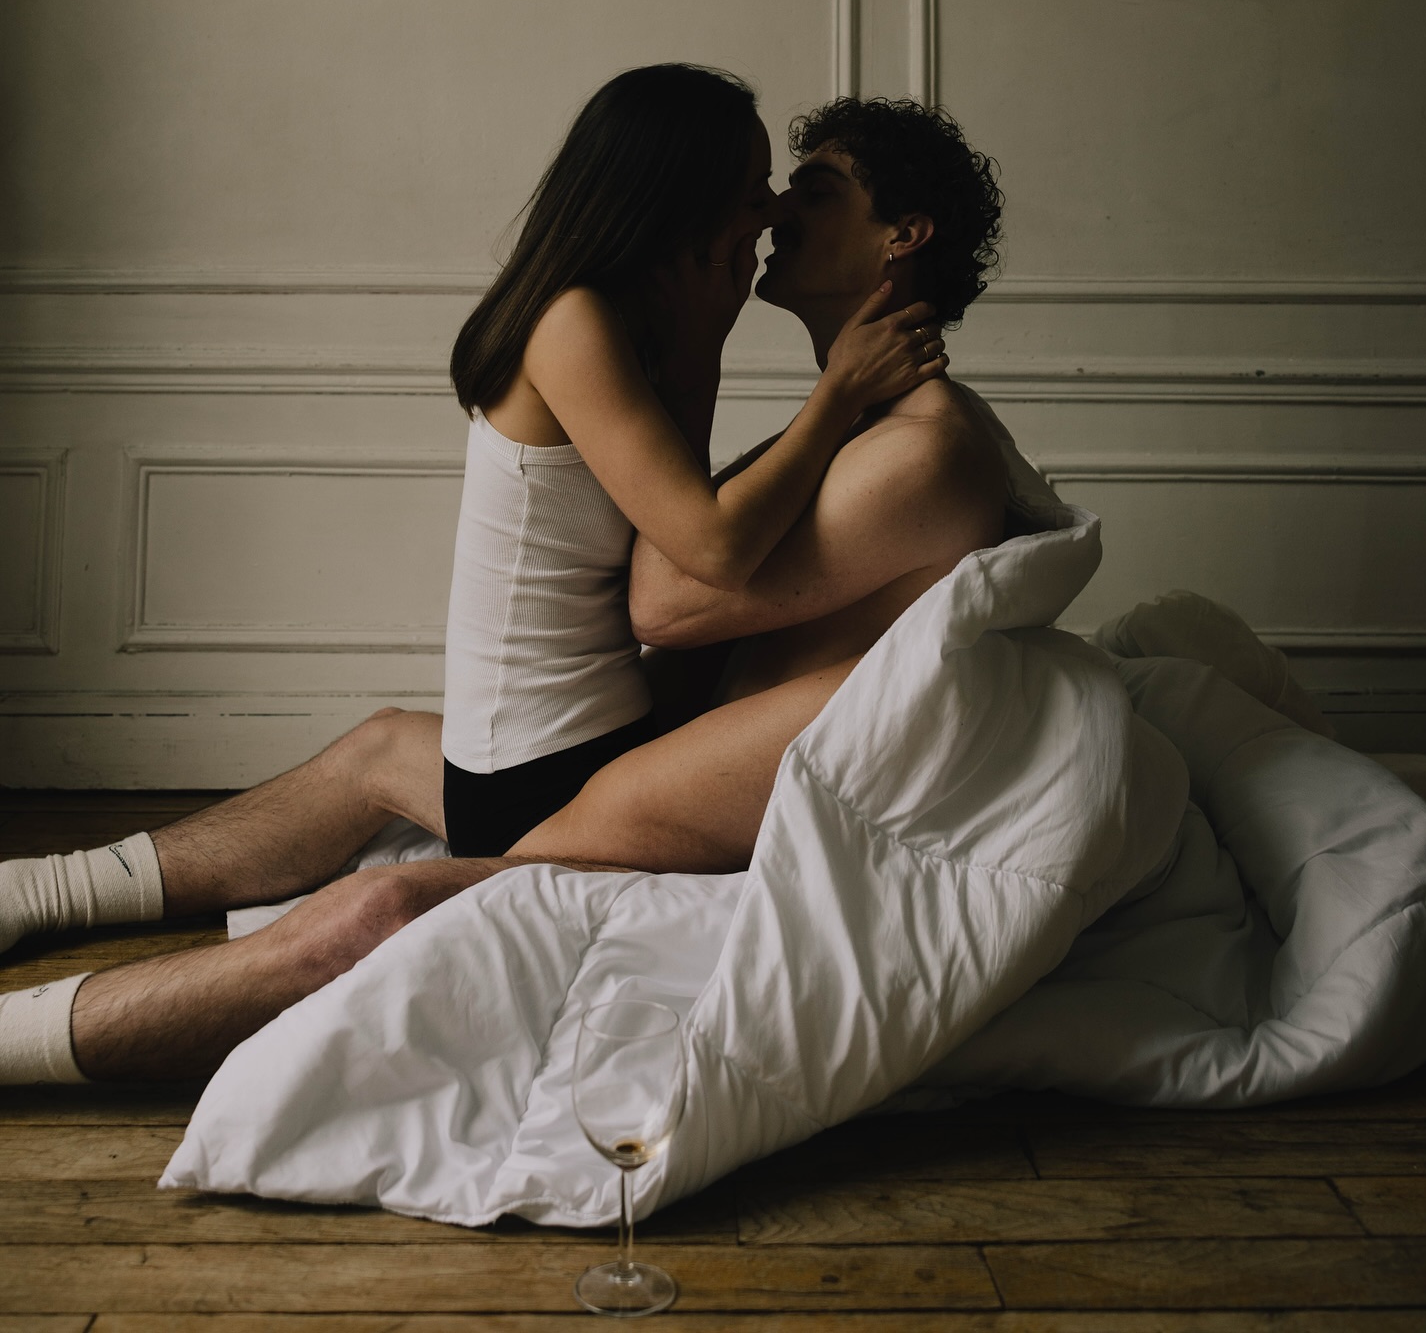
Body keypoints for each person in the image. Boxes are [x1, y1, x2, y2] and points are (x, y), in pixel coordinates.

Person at [0, 90, 1004, 1084]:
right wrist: (754, 370)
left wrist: (762, 370)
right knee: (381, 746)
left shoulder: (914, 448)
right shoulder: (846, 420)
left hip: (695, 772)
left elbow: (666, 602)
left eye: (811, 193)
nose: (776, 210)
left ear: (901, 237)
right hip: (660, 740)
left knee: (379, 912)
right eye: (762, 189)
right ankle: (37, 892)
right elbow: (692, 545)